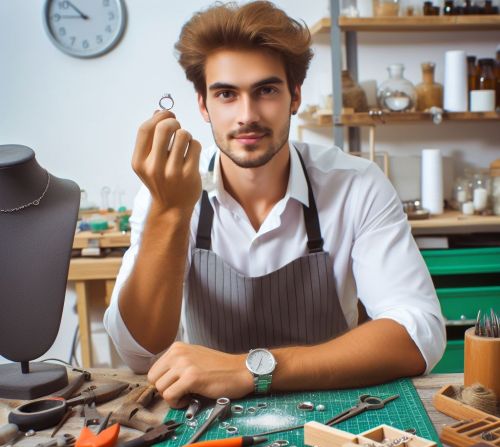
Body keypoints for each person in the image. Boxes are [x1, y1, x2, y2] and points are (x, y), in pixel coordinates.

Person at [104, 1, 445, 408]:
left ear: (295, 96)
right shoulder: (169, 192)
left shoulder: (357, 185)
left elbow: (418, 334)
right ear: (202, 104)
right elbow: (139, 352)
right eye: (226, 94)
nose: (247, 115)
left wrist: (252, 370)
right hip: (205, 421)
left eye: (265, 90)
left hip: (336, 413)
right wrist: (169, 212)